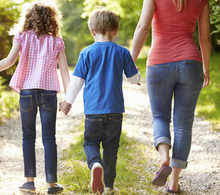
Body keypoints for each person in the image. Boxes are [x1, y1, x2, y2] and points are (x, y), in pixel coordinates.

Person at [0, 2, 69, 194]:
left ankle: (29, 182)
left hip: (27, 93)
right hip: (48, 93)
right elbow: (64, 71)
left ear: (27, 18)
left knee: (28, 137)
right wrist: (67, 99)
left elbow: (9, 61)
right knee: (49, 138)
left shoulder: (22, 36)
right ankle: (52, 184)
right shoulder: (56, 41)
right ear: (52, 19)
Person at [131, 0, 211, 193]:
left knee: (160, 117)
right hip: (191, 63)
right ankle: (173, 182)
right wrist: (206, 67)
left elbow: (143, 27)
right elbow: (205, 38)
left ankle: (164, 157)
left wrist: (131, 61)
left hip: (159, 63)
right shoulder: (202, 1)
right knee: (183, 125)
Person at [59, 8, 141, 194]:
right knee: (111, 147)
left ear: (92, 31)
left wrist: (67, 102)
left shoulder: (86, 53)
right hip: (115, 110)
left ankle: (95, 163)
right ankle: (109, 185)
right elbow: (133, 78)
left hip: (93, 111)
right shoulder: (123, 52)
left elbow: (76, 82)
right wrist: (137, 76)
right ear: (116, 30)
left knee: (90, 143)